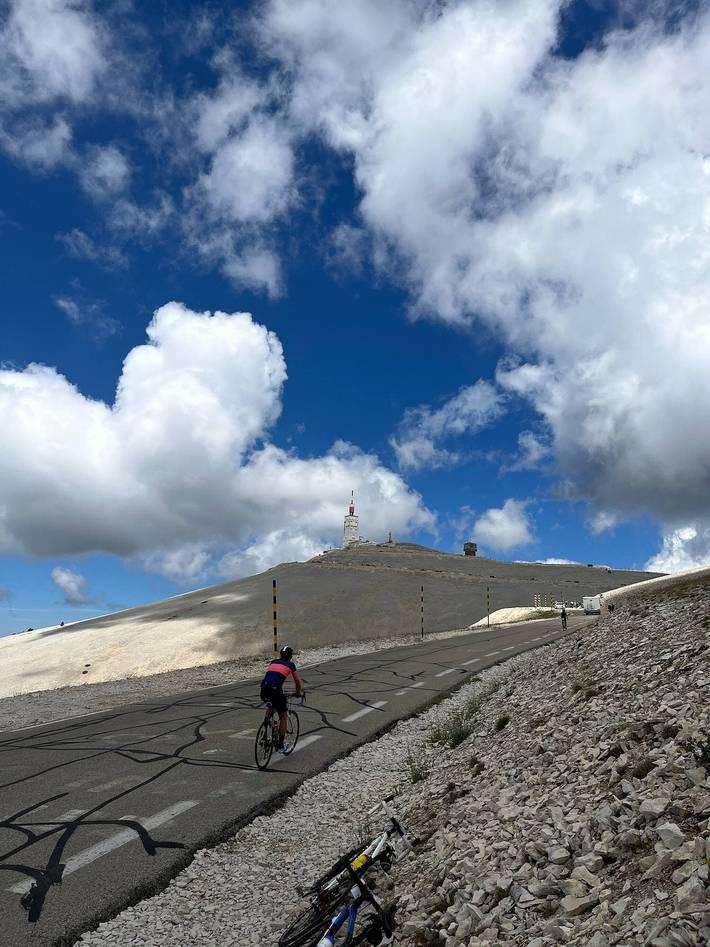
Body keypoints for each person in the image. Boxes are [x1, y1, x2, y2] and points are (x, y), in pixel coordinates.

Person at [260, 645, 304, 752]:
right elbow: (297, 682)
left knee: (271, 706)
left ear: (280, 655)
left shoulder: (273, 662)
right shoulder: (290, 665)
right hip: (275, 690)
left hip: (264, 689)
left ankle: (266, 725)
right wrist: (298, 693)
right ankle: (280, 744)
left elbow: (272, 676)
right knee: (283, 715)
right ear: (290, 657)